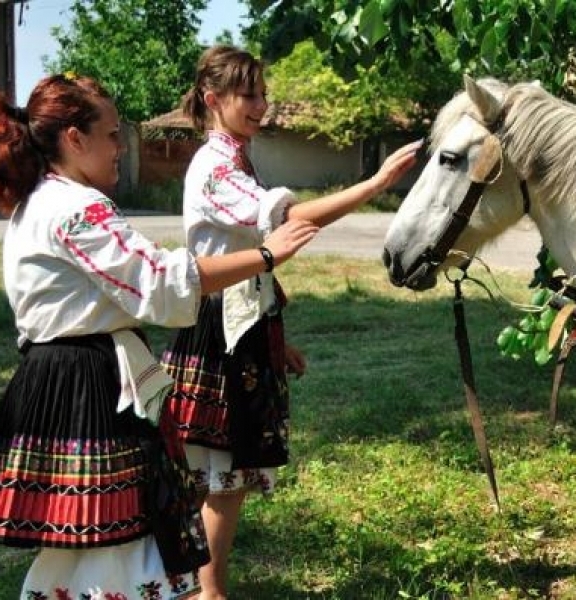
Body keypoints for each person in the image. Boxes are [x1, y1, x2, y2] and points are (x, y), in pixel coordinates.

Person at [0, 73, 320, 599]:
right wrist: (268, 254)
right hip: (85, 385)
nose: (120, 147)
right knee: (113, 540)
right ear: (74, 138)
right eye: (112, 134)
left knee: (89, 545)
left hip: (64, 377)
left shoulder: (40, 203)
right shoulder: (75, 208)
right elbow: (160, 284)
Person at [158, 45, 420, 599]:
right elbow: (288, 220)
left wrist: (278, 339)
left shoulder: (236, 157)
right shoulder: (213, 167)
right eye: (248, 94)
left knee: (230, 476)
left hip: (243, 325)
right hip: (218, 330)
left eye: (262, 92)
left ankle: (203, 587)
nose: (262, 104)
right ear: (213, 99)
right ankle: (209, 593)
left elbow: (251, 251)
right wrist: (374, 186)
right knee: (222, 476)